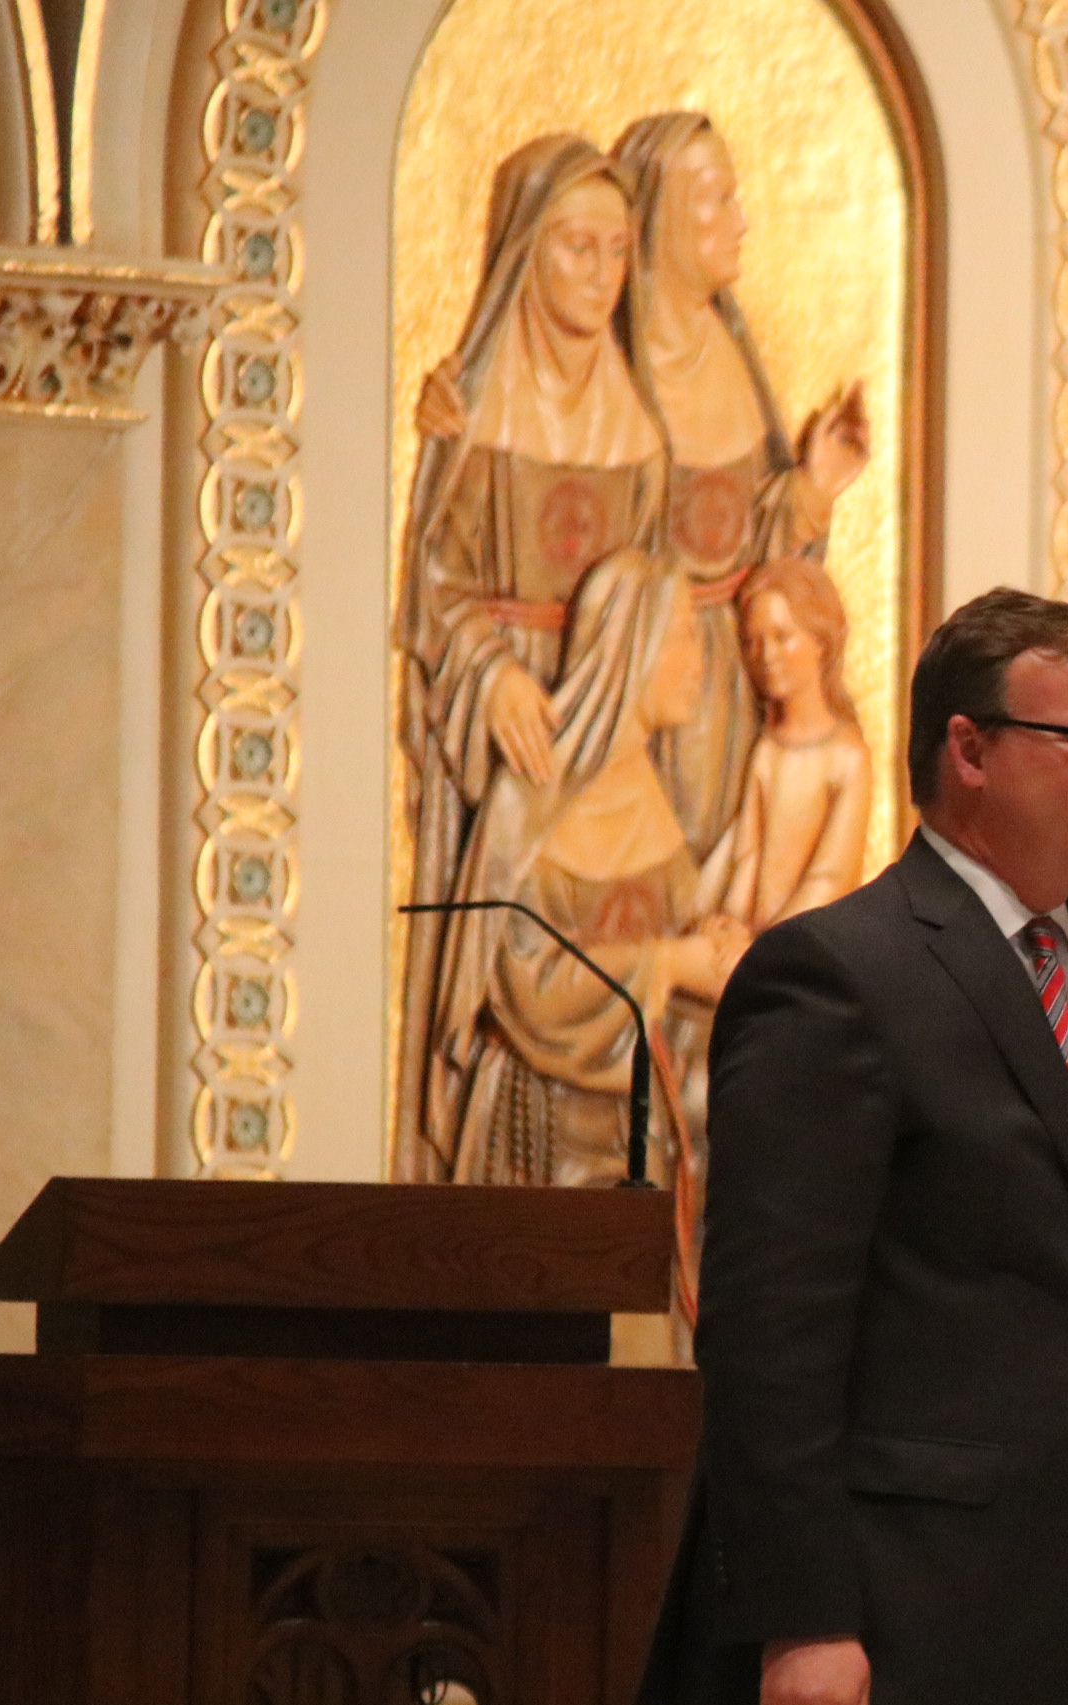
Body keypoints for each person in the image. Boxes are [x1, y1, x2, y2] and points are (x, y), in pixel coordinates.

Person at [638, 587, 1068, 1705]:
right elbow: (768, 1331)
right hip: (884, 1654)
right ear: (969, 749)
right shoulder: (839, 974)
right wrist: (805, 1619)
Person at [395, 132, 667, 1182]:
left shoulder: (637, 429)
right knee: (498, 954)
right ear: (524, 251)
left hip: (603, 741)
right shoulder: (471, 411)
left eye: (617, 251)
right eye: (575, 249)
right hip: (500, 720)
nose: (600, 276)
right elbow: (433, 579)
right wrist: (493, 672)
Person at [424, 547, 745, 1186]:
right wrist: (672, 965)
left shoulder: (650, 785)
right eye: (684, 638)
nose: (699, 666)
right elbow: (522, 981)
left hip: (641, 1127)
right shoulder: (534, 796)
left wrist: (711, 939)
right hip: (546, 1132)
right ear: (634, 646)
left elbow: (665, 916)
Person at [612, 110, 871, 864]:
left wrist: (812, 490)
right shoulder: (611, 370)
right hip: (655, 690)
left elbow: (747, 542)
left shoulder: (730, 349)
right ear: (660, 214)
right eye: (719, 199)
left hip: (742, 682)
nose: (742, 220)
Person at [705, 554, 869, 929]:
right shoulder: (767, 751)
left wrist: (772, 940)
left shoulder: (847, 757)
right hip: (762, 940)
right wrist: (732, 919)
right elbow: (748, 856)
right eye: (753, 642)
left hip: (814, 941)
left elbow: (830, 877)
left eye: (782, 637)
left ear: (821, 642)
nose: (767, 657)